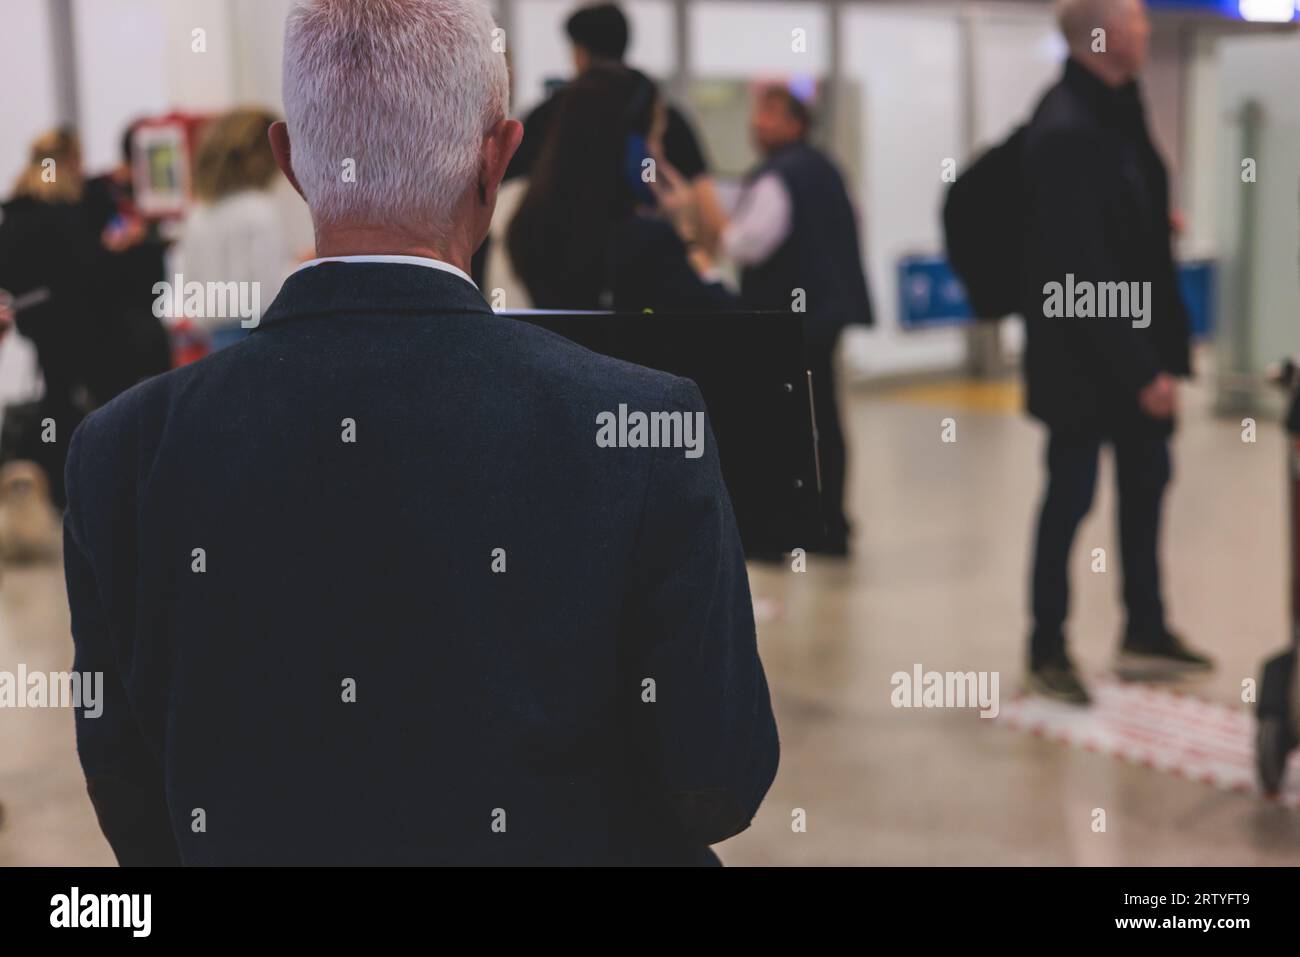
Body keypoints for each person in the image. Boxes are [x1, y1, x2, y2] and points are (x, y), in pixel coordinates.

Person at [64, 0, 778, 866]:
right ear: (497, 158)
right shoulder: (645, 429)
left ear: (290, 161)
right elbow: (719, 778)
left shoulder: (120, 452)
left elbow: (132, 804)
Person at [1022, 0, 1211, 704]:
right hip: (1085, 362)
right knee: (1069, 498)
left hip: (1129, 347)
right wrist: (1141, 371)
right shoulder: (1068, 126)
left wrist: (1150, 221)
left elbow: (1105, 224)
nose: (1148, 30)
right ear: (1102, 35)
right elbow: (1080, 271)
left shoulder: (1114, 109)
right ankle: (1046, 645)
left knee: (1146, 485)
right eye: (1136, 20)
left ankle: (1145, 628)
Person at [727, 85, 873, 557]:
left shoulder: (777, 178)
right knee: (823, 417)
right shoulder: (830, 170)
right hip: (826, 315)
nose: (756, 123)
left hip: (787, 320)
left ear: (796, 123)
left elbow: (747, 244)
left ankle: (791, 527)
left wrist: (710, 224)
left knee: (783, 421)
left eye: (769, 113)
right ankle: (832, 522)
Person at [507, 65, 733, 312]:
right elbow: (725, 318)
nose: (657, 153)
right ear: (632, 149)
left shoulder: (528, 227)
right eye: (655, 137)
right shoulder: (647, 243)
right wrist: (689, 241)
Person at [503, 3, 725, 251]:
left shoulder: (550, 116)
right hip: (651, 267)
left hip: (564, 266)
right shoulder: (663, 114)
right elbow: (712, 221)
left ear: (579, 53)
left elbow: (506, 201)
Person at [176, 108, 298, 349]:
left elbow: (190, 284)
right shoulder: (260, 210)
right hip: (255, 333)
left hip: (215, 337)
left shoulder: (199, 214)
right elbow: (268, 295)